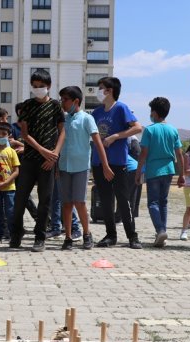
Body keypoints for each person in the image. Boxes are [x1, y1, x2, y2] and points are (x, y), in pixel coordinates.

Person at [10, 70, 65, 251]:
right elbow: (24, 134)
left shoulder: (56, 106)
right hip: (30, 159)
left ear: (48, 86)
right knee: (20, 199)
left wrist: (54, 154)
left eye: (41, 86)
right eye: (35, 86)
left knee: (45, 200)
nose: (38, 89)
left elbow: (62, 131)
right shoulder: (27, 105)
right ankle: (16, 233)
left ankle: (40, 237)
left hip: (48, 161)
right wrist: (42, 150)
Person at [57, 86, 113, 250]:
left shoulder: (87, 119)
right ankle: (68, 237)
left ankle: (87, 234)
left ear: (76, 101)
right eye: (61, 99)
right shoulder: (64, 119)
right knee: (66, 204)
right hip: (63, 166)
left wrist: (105, 165)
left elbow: (98, 143)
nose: (62, 103)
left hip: (80, 167)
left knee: (79, 202)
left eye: (65, 99)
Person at [91, 77, 143, 249]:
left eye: (101, 87)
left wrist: (116, 136)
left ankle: (132, 236)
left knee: (123, 199)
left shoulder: (121, 108)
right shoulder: (96, 113)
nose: (98, 91)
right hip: (99, 162)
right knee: (105, 200)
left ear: (110, 90)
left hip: (117, 162)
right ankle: (110, 235)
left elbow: (137, 127)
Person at [135, 97, 185, 248]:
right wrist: (182, 174)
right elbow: (179, 154)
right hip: (169, 169)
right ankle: (161, 233)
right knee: (163, 202)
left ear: (155, 113)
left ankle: (160, 230)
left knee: (153, 203)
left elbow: (143, 153)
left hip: (154, 171)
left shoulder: (149, 130)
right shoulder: (173, 130)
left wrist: (138, 172)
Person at [127, 135, 142, 218]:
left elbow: (138, 154)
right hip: (137, 167)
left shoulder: (132, 139)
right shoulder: (133, 139)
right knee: (134, 192)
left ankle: (129, 214)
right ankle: (133, 213)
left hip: (132, 168)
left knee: (130, 193)